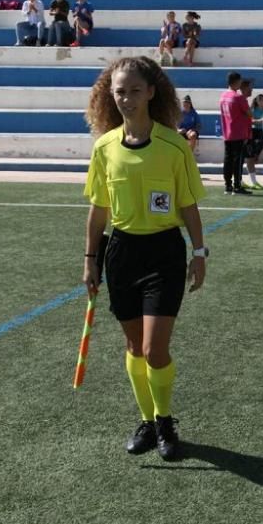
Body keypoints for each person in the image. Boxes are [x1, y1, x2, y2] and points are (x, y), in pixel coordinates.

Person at [83, 56, 207, 463]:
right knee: (134, 345)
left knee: (155, 349)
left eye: (135, 90)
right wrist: (90, 259)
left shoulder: (174, 145)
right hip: (122, 253)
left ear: (152, 92)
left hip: (164, 252)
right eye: (120, 91)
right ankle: (147, 421)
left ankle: (166, 421)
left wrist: (200, 251)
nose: (127, 98)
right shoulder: (104, 147)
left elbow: (188, 204)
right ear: (110, 94)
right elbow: (99, 210)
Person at [219, 71, 252, 195]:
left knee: (228, 159)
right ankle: (237, 186)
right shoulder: (238, 97)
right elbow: (249, 113)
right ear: (236, 81)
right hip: (238, 132)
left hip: (227, 132)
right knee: (238, 160)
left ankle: (228, 185)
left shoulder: (223, 96)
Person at [245, 91, 263, 189]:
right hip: (254, 131)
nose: (262, 102)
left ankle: (256, 157)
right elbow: (250, 120)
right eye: (261, 100)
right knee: (251, 152)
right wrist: (259, 121)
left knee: (260, 146)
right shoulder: (253, 109)